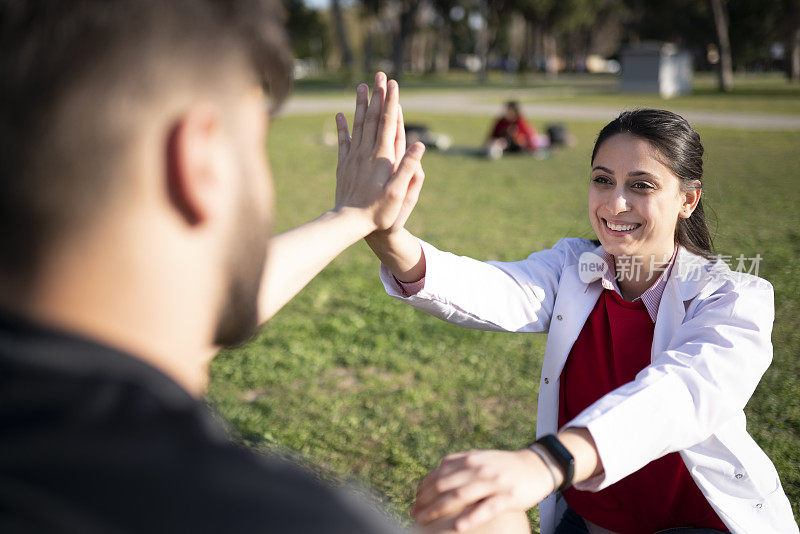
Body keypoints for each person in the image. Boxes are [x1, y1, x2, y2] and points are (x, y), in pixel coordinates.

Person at [0, 1, 532, 533]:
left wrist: (353, 218)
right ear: (199, 161)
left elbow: (179, 322)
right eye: (255, 144)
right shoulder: (283, 518)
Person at [351, 107, 799, 534]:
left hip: (696, 525)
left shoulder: (733, 297)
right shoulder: (574, 266)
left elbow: (680, 393)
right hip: (587, 522)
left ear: (688, 199)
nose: (616, 202)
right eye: (603, 180)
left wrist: (548, 462)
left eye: (642, 185)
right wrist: (388, 235)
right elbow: (494, 289)